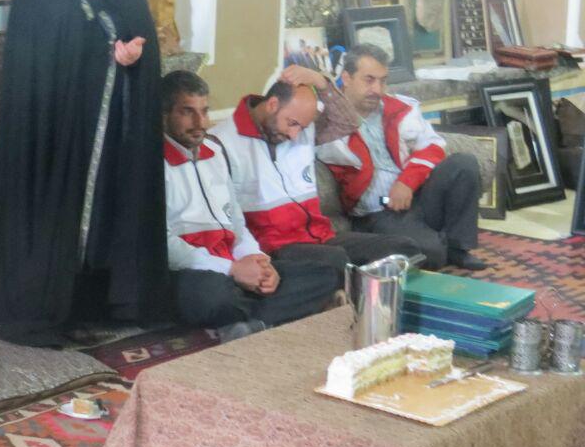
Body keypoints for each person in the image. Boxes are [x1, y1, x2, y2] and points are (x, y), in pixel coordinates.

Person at [0, 0, 170, 347]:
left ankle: (99, 302)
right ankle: (52, 304)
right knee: (63, 213)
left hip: (110, 128)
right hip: (57, 127)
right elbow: (41, 43)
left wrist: (131, 55)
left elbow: (135, 38)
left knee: (104, 211)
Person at [162, 71, 337, 342]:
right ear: (164, 114)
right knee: (212, 295)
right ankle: (264, 315)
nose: (201, 123)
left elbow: (237, 224)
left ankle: (251, 323)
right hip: (192, 273)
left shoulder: (215, 153)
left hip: (233, 265)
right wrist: (231, 270)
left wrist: (258, 261)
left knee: (326, 272)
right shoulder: (151, 164)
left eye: (205, 111)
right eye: (188, 112)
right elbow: (165, 247)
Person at [210, 65, 423, 277]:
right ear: (272, 105)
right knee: (335, 261)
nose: (295, 135)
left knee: (403, 248)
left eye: (301, 128)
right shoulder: (221, 143)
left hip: (322, 237)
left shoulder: (302, 126)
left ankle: (363, 289)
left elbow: (348, 122)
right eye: (291, 123)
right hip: (275, 249)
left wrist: (321, 83)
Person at [316, 44, 488, 270]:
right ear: (347, 78)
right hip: (377, 213)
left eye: (383, 81)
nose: (377, 89)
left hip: (413, 196)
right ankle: (434, 243)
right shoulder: (327, 119)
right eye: (369, 80)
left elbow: (433, 145)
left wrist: (407, 182)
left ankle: (457, 247)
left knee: (463, 164)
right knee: (429, 254)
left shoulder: (398, 107)